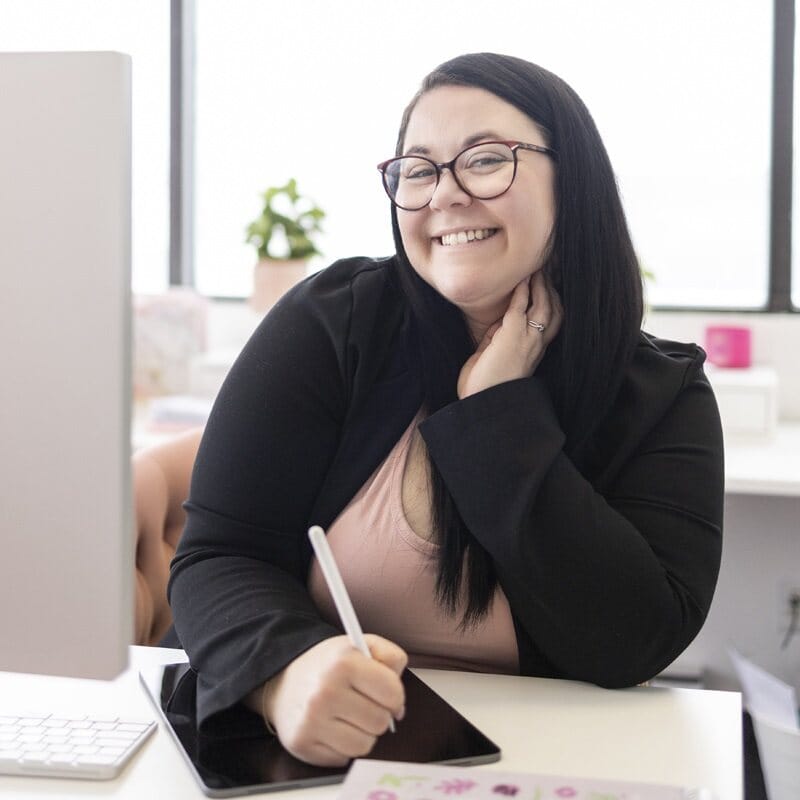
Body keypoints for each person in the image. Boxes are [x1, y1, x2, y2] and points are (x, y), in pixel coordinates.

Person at [168, 52, 724, 767]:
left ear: (574, 180)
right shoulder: (335, 322)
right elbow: (219, 556)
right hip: (309, 761)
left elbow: (634, 641)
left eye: (486, 160)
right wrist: (283, 674)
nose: (446, 195)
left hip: (537, 765)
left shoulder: (663, 395)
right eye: (419, 169)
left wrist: (496, 410)